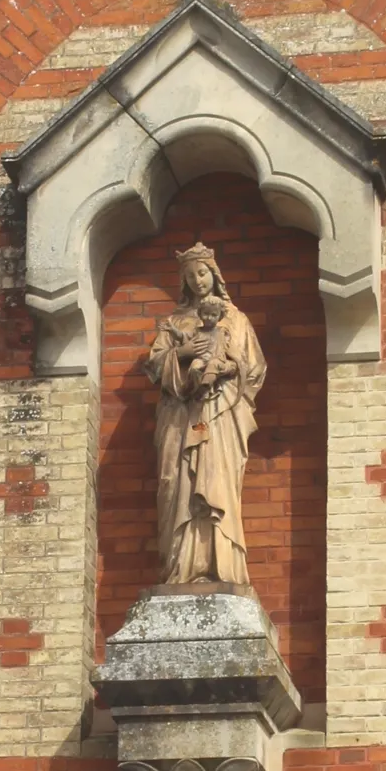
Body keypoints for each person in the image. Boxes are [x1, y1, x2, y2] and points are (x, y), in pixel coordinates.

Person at [146, 245, 266, 588]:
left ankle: (221, 566)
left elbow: (254, 369)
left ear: (215, 275)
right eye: (190, 275)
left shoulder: (236, 320)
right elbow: (155, 366)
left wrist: (227, 370)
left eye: (203, 273)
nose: (198, 281)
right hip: (180, 417)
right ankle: (181, 568)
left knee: (218, 481)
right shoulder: (175, 322)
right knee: (175, 483)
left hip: (221, 414)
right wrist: (181, 353)